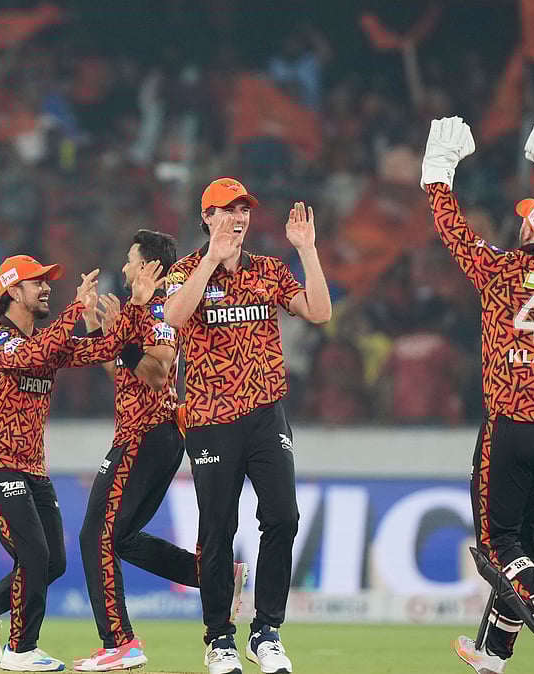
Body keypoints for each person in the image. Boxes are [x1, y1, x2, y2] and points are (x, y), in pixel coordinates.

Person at [421, 117, 534, 674]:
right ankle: (493, 655)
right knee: (525, 542)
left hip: (511, 429)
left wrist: (438, 173)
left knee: (498, 543)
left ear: (527, 232)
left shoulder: (501, 272)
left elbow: (453, 230)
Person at [162, 178, 332, 674]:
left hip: (265, 415)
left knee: (283, 517)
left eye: (244, 210)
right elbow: (173, 316)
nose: (239, 218)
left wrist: (309, 250)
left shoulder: (269, 271)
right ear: (207, 218)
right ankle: (219, 639)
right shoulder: (186, 271)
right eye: (228, 210)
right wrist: (211, 260)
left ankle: (267, 632)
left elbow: (319, 312)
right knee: (217, 530)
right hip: (211, 421)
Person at [0, 256, 152, 672]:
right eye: (36, 282)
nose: (46, 287)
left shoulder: (47, 342)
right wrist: (75, 310)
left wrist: (134, 307)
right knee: (33, 554)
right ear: (12, 292)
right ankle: (20, 649)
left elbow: (105, 348)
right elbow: (32, 355)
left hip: (33, 469)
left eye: (47, 282)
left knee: (54, 563)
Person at [73, 230, 248, 672]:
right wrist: (98, 325)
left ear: (150, 266)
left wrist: (123, 332)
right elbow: (123, 371)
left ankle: (120, 641)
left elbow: (156, 371)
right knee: (122, 537)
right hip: (148, 435)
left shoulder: (159, 310)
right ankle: (215, 579)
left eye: (131, 260)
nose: (126, 266)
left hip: (145, 436)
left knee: (95, 535)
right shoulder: (143, 312)